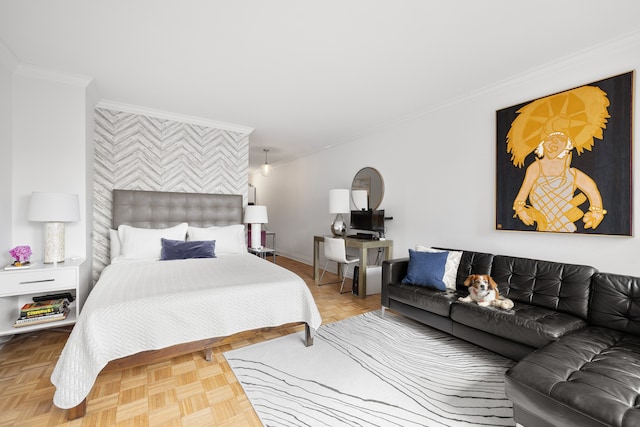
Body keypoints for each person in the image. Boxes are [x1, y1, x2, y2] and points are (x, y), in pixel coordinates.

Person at [512, 131, 606, 232]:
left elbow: (592, 190)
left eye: (561, 139)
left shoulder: (573, 174)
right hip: (542, 231)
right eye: (549, 138)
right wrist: (521, 210)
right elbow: (520, 199)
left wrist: (597, 211)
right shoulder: (535, 168)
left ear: (568, 145)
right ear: (542, 143)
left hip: (567, 230)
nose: (554, 141)